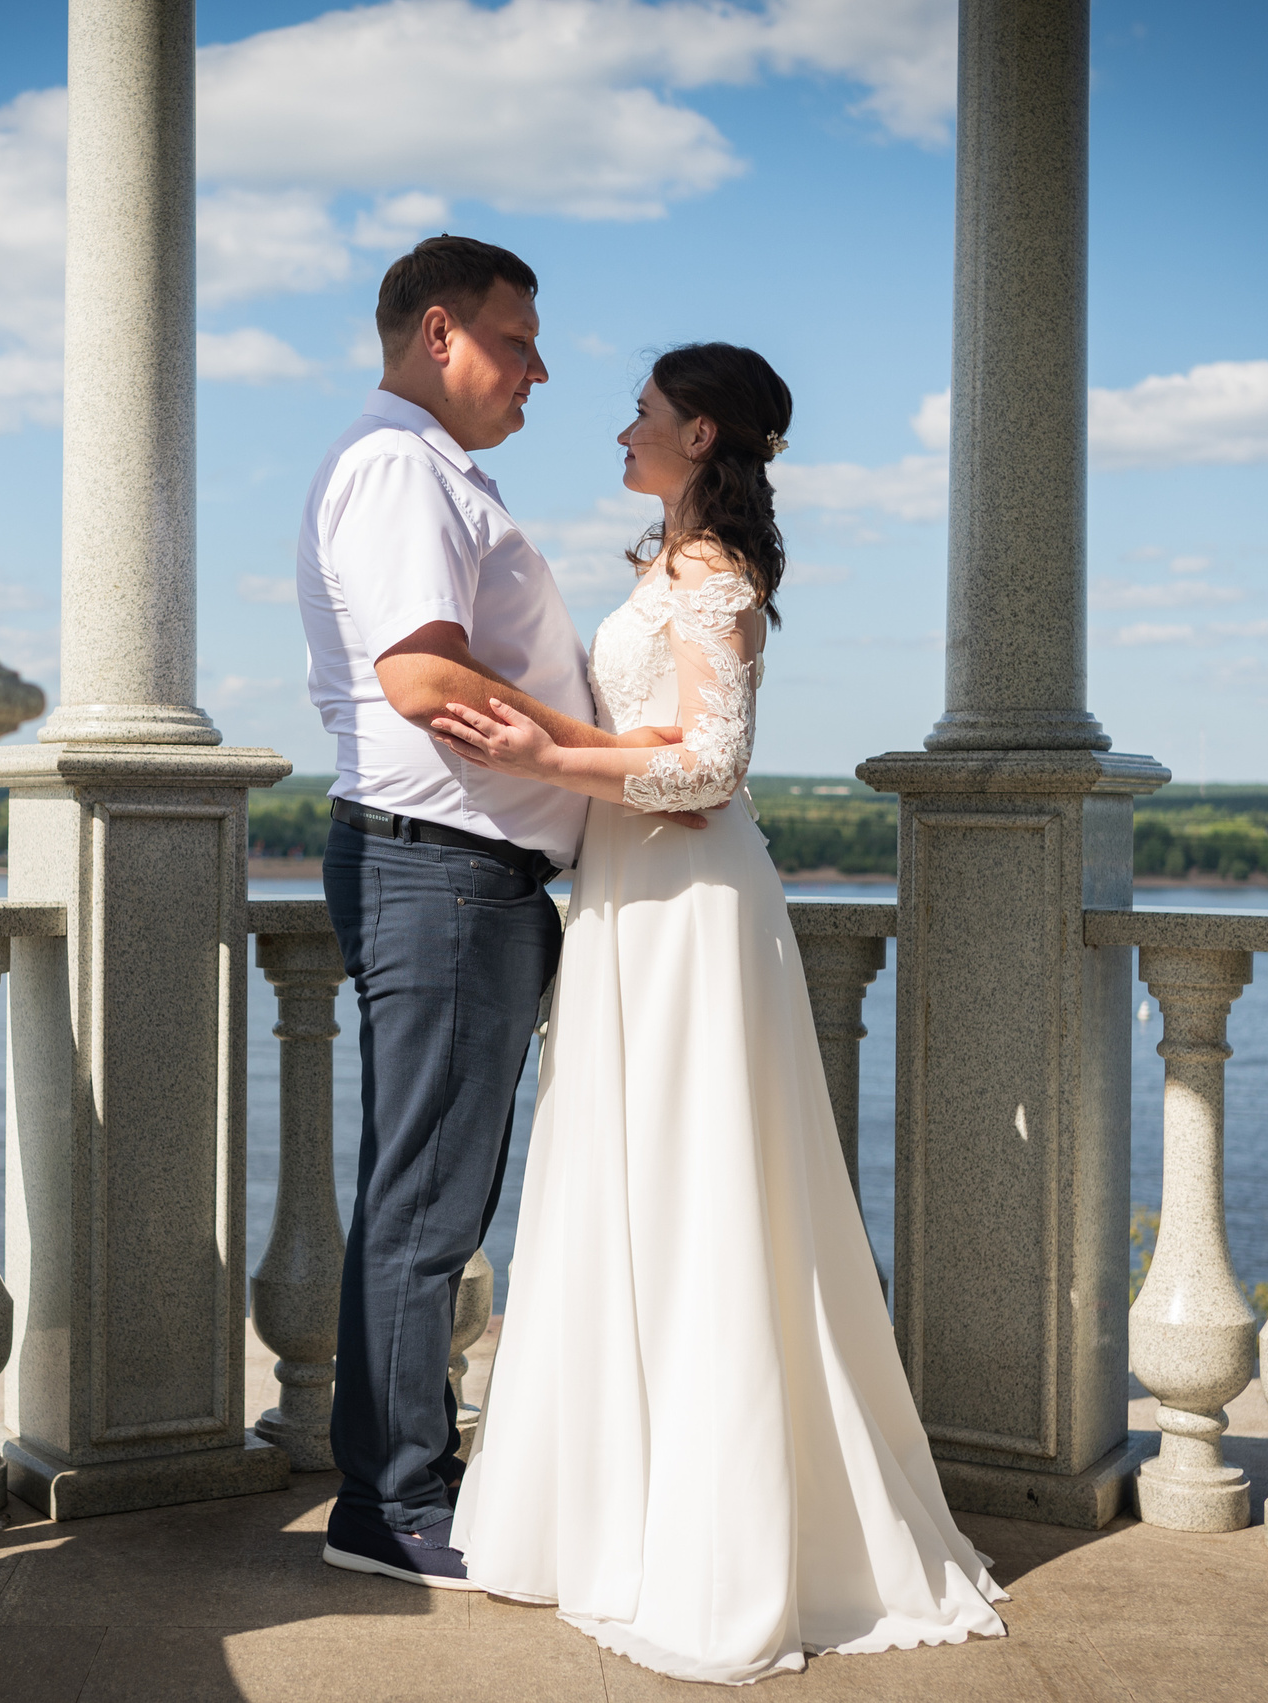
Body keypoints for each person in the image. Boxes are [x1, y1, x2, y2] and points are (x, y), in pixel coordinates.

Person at [432, 343, 1011, 1684]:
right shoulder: (664, 569)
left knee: (700, 1195)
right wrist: (542, 744)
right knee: (620, 1187)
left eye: (637, 414)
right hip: (632, 904)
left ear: (696, 436)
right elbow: (649, 749)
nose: (615, 432)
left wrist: (545, 756)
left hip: (690, 907)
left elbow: (704, 768)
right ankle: (604, 1514)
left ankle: (721, 1540)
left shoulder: (715, 580)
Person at [293, 236, 691, 1589]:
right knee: (427, 1201)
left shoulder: (433, 470)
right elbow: (420, 678)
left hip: (459, 871)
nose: (538, 367)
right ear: (441, 333)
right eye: (518, 341)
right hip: (442, 866)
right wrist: (606, 752)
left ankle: (405, 1477)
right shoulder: (402, 467)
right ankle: (393, 1501)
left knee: (433, 1190)